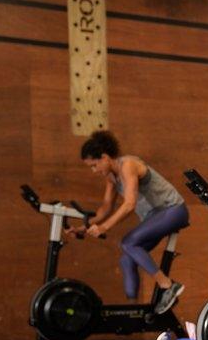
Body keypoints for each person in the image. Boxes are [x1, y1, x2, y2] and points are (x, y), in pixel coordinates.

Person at [76, 131, 188, 314]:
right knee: (127, 259)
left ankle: (168, 285)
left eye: (94, 165)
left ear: (104, 157)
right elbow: (105, 208)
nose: (94, 171)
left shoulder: (128, 165)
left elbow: (129, 204)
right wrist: (85, 226)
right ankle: (133, 310)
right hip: (155, 216)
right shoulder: (111, 177)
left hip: (173, 210)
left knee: (128, 242)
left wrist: (104, 227)